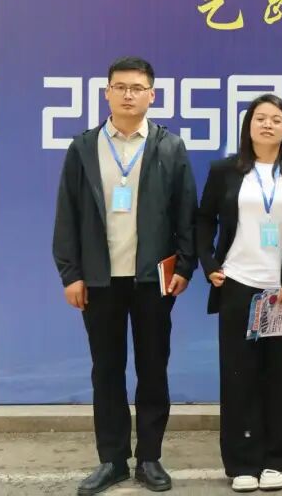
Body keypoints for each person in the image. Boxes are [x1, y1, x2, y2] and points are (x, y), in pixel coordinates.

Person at [52, 56, 197, 495]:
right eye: (120, 87)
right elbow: (67, 215)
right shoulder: (83, 147)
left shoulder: (169, 147)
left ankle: (149, 458)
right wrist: (71, 274)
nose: (128, 95)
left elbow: (186, 213)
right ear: (107, 93)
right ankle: (112, 460)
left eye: (137, 88)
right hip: (100, 280)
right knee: (107, 371)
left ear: (152, 95)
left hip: (153, 280)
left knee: (153, 369)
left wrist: (184, 266)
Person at [196, 94, 282, 493]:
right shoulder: (225, 171)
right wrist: (209, 264)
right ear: (248, 126)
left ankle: (278, 460)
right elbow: (203, 220)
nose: (267, 124)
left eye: (276, 119)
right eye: (260, 118)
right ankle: (243, 462)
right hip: (238, 285)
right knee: (239, 377)